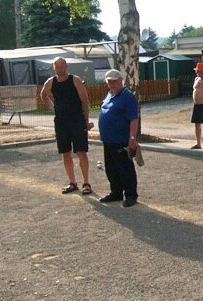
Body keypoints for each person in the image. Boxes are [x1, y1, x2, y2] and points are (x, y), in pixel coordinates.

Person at [40, 57, 94, 194]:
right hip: (61, 122)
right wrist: (53, 109)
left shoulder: (75, 80)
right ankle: (72, 182)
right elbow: (43, 95)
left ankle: (86, 183)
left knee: (81, 151)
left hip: (77, 120)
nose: (59, 69)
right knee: (65, 152)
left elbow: (85, 100)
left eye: (62, 66)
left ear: (66, 66)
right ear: (54, 68)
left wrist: (86, 121)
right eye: (57, 67)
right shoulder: (50, 82)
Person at [97, 69, 139, 207]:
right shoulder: (110, 95)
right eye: (109, 81)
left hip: (121, 140)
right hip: (108, 140)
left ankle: (131, 195)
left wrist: (132, 138)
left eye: (114, 81)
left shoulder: (128, 97)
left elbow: (133, 119)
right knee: (111, 169)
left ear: (121, 80)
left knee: (125, 169)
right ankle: (116, 193)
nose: (112, 84)